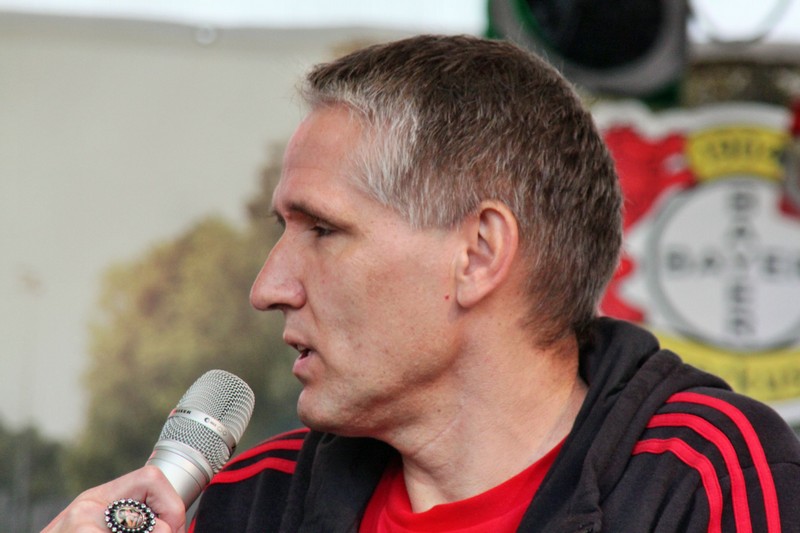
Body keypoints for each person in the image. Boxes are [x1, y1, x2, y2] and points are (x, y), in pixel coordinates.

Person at [45, 34, 800, 533]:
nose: (269, 286)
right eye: (283, 229)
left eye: (322, 229)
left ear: (478, 254)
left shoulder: (710, 479)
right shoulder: (249, 500)